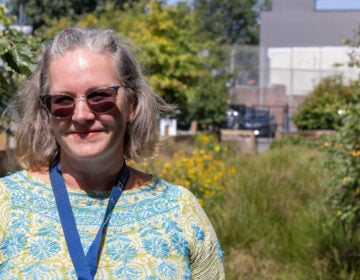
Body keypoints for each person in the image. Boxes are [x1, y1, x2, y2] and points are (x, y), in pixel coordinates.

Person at [0, 27, 224, 279]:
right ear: (46, 112)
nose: (82, 115)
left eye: (100, 96)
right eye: (63, 100)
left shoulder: (180, 210)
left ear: (132, 106)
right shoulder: (5, 204)